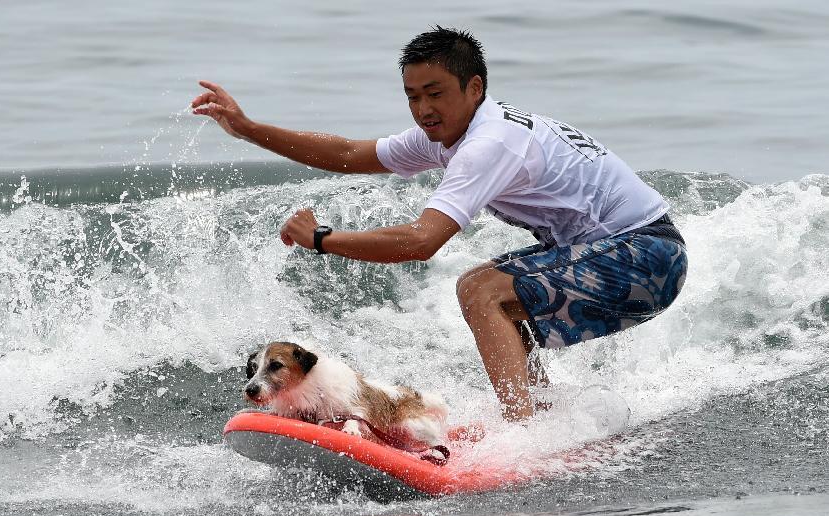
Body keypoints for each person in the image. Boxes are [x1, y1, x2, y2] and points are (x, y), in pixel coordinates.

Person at [191, 26, 688, 423]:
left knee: (481, 291)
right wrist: (250, 130)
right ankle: (538, 415)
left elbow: (421, 240)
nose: (424, 110)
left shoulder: (490, 142)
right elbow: (348, 152)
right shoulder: (448, 131)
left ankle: (526, 432)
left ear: (474, 88)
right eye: (412, 96)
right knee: (497, 295)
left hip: (649, 256)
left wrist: (321, 239)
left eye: (435, 94)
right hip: (629, 252)